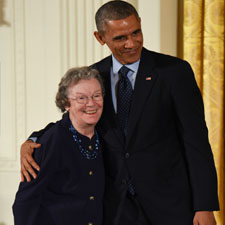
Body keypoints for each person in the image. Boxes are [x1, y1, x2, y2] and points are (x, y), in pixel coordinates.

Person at [19, 1, 219, 225]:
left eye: (136, 32)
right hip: (115, 207)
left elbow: (196, 140)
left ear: (141, 24)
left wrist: (205, 206)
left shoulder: (174, 72)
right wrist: (34, 139)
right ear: (100, 37)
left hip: (170, 204)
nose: (131, 43)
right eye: (120, 38)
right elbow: (73, 118)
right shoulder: (95, 74)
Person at [13, 67, 105, 225]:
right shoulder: (51, 141)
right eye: (81, 98)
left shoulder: (105, 132)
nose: (91, 104)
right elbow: (25, 202)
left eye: (96, 96)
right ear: (66, 104)